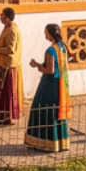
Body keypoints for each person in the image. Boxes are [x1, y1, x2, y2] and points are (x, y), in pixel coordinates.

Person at [25, 22, 71, 153]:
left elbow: (49, 70)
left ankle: (44, 142)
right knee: (56, 111)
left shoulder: (51, 50)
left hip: (49, 84)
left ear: (50, 34)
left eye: (45, 32)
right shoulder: (62, 48)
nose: (44, 34)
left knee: (42, 109)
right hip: (60, 84)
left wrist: (36, 65)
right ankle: (60, 142)